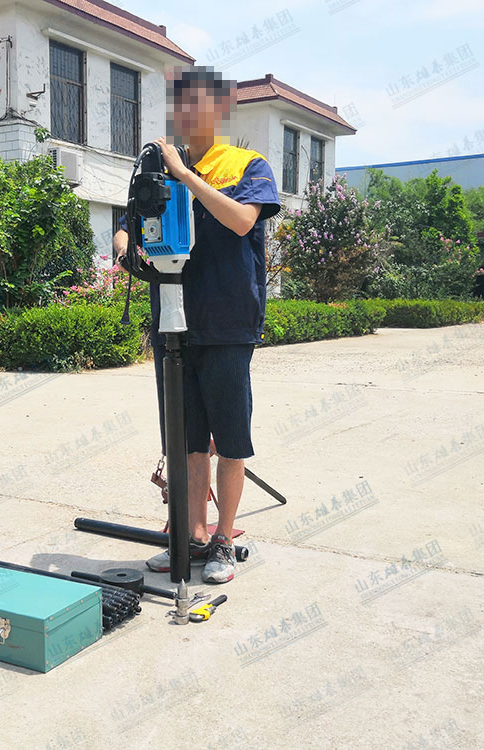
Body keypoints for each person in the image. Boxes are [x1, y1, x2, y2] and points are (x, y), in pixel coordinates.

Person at [113, 66, 281, 584]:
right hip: (172, 322)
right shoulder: (157, 166)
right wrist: (125, 250)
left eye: (198, 105)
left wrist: (186, 177)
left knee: (229, 441)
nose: (187, 116)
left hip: (227, 321)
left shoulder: (247, 165)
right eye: (180, 106)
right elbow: (127, 223)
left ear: (219, 111)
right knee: (185, 443)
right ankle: (192, 536)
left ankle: (224, 539)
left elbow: (242, 221)